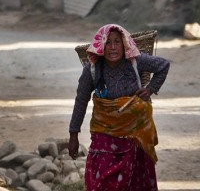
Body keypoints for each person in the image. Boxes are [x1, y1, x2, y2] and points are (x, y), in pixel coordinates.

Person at [68, 24, 170, 191]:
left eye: (117, 42)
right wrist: (73, 134)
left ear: (125, 44)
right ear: (101, 46)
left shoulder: (135, 61)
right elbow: (81, 99)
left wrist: (151, 89)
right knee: (101, 181)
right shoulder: (93, 68)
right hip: (104, 135)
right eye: (108, 43)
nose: (113, 47)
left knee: (133, 182)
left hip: (134, 136)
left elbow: (163, 66)